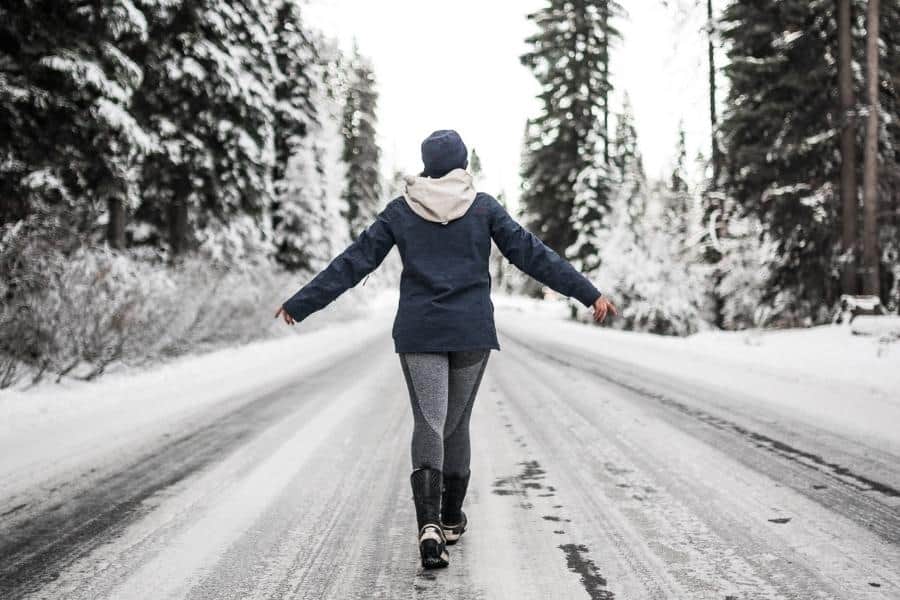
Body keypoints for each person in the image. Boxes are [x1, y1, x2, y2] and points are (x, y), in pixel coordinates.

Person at [275, 129, 617, 570]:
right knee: (454, 425)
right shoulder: (483, 207)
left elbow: (354, 261)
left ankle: (432, 525)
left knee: (430, 421)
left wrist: (302, 303)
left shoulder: (401, 211)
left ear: (426, 166)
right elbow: (534, 255)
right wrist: (588, 293)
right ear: (462, 166)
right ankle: (450, 519)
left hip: (420, 331)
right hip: (471, 331)